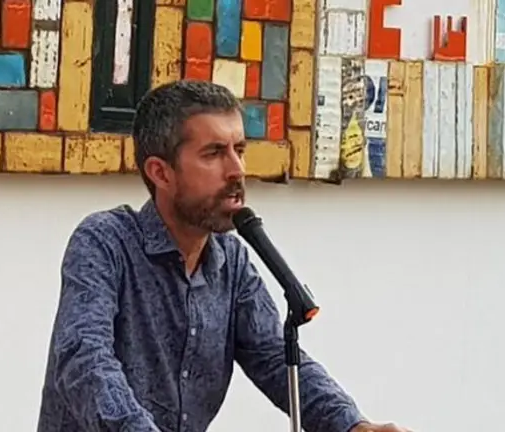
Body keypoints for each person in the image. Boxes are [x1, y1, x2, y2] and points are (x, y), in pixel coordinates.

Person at [36, 80, 410, 432]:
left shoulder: (232, 261)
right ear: (161, 173)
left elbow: (274, 358)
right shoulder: (105, 242)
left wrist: (351, 425)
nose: (237, 170)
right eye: (214, 154)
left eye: (239, 150)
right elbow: (83, 357)